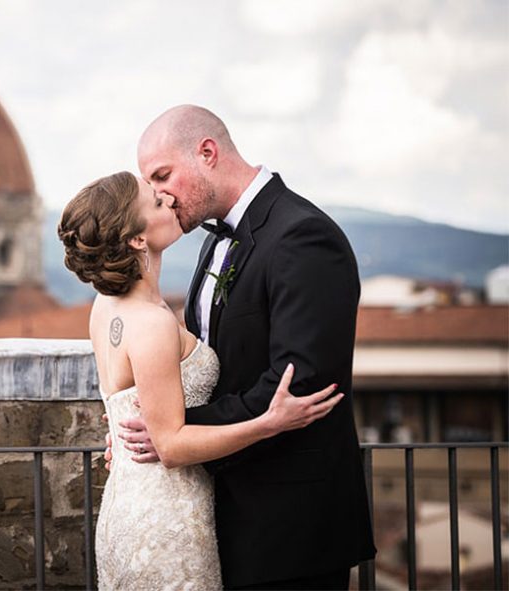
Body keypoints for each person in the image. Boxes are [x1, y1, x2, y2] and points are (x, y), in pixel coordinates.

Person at [120, 104, 376, 589]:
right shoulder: (212, 241)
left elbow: (302, 384)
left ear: (207, 153)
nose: (158, 195)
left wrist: (173, 433)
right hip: (223, 517)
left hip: (291, 527)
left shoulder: (302, 235)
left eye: (162, 175)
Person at [59, 171, 345, 590]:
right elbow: (171, 447)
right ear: (137, 239)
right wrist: (269, 422)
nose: (169, 201)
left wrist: (122, 437)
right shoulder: (152, 322)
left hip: (129, 502)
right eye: (156, 202)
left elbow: (133, 403)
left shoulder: (105, 306)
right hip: (167, 518)